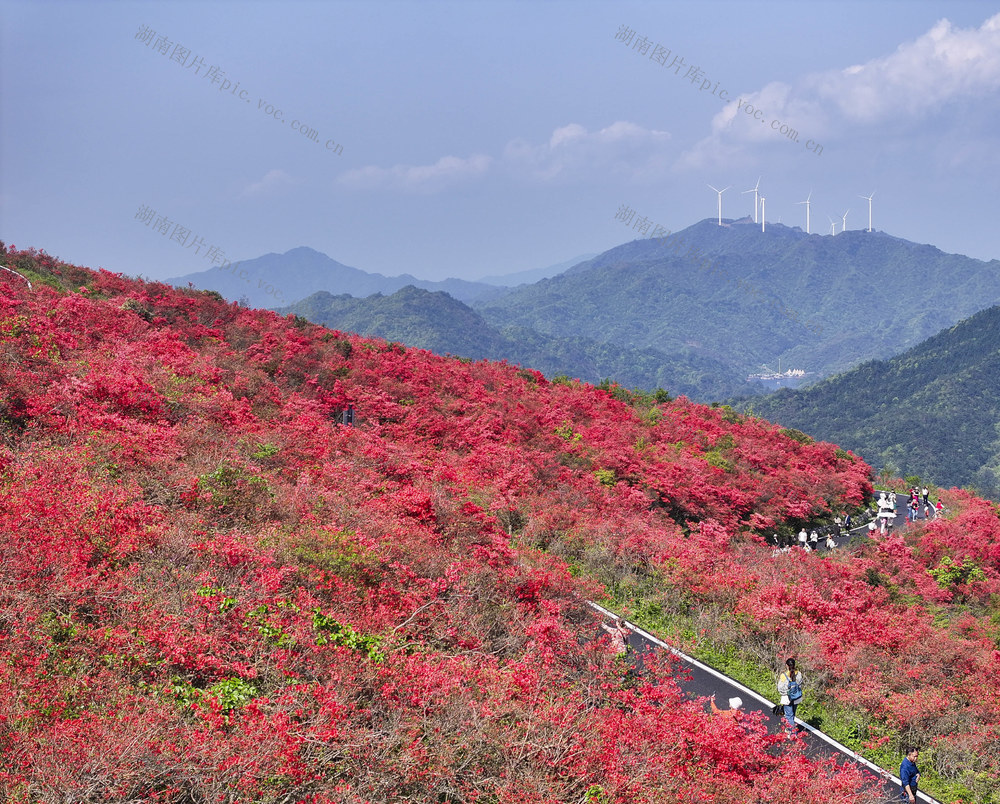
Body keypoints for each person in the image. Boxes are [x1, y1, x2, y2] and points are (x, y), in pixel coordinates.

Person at [777, 657, 804, 737]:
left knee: (789, 716)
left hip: (787, 698)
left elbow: (780, 688)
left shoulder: (784, 675)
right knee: (792, 714)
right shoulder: (799, 674)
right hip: (796, 697)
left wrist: (786, 693)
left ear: (786, 665)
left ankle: (793, 733)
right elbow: (800, 684)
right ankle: (789, 729)